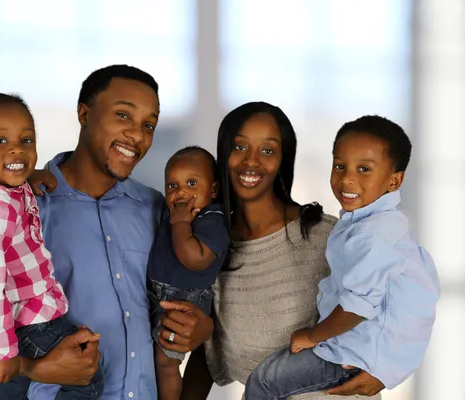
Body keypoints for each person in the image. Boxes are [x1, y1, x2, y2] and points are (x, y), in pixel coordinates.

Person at [0, 65, 214, 400]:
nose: (138, 135)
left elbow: (191, 294)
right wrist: (31, 367)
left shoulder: (159, 211)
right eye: (123, 115)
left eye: (148, 125)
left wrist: (202, 329)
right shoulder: (21, 207)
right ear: (84, 114)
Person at [180, 102, 386, 400]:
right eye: (239, 147)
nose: (251, 162)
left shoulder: (324, 237)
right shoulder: (209, 248)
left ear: (283, 160)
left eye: (267, 150)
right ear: (223, 153)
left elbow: (388, 305)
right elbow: (205, 353)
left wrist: (385, 369)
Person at [244, 115, 440, 399]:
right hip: (355, 350)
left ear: (394, 180)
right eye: (340, 166)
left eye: (364, 169)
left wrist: (313, 336)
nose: (347, 178)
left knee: (265, 382)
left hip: (352, 357)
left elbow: (356, 307)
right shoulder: (371, 225)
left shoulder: (374, 236)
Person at [0, 87, 104, 399]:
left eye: (26, 141)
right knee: (87, 377)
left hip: (20, 313)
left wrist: (30, 176)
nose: (17, 151)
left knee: (16, 387)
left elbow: (11, 172)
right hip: (21, 319)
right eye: (1, 141)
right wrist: (3, 352)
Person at [147, 146, 230, 400]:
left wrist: (181, 223)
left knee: (166, 363)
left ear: (213, 190)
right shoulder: (174, 214)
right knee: (154, 359)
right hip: (159, 294)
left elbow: (195, 259)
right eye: (172, 186)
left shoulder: (213, 219)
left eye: (192, 183)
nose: (181, 192)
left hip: (183, 300)